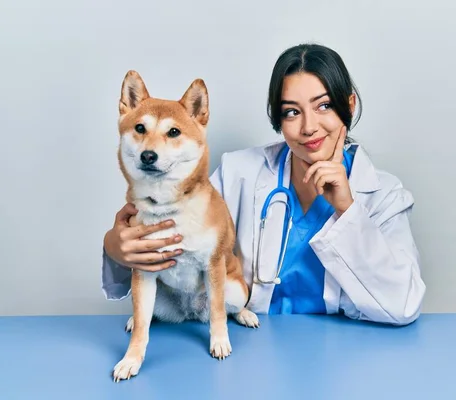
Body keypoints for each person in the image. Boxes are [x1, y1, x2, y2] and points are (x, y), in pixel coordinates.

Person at [102, 43, 426, 326]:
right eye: (291, 112)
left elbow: (403, 306)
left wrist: (347, 208)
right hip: (250, 346)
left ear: (349, 105)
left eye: (323, 106)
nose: (309, 127)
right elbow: (173, 255)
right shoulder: (239, 173)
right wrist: (117, 251)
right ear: (278, 119)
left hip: (342, 353)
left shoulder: (384, 194)